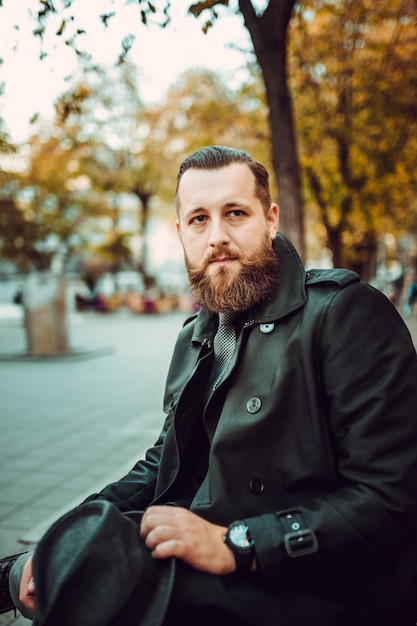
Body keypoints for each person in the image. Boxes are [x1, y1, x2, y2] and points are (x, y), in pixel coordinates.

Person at [1, 145, 417, 626]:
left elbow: (394, 496)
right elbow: (161, 466)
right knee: (80, 570)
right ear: (181, 234)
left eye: (235, 213)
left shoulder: (344, 312)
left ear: (270, 219)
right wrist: (62, 537)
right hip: (215, 567)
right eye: (199, 219)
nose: (217, 236)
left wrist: (237, 544)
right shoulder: (196, 336)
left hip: (322, 584)